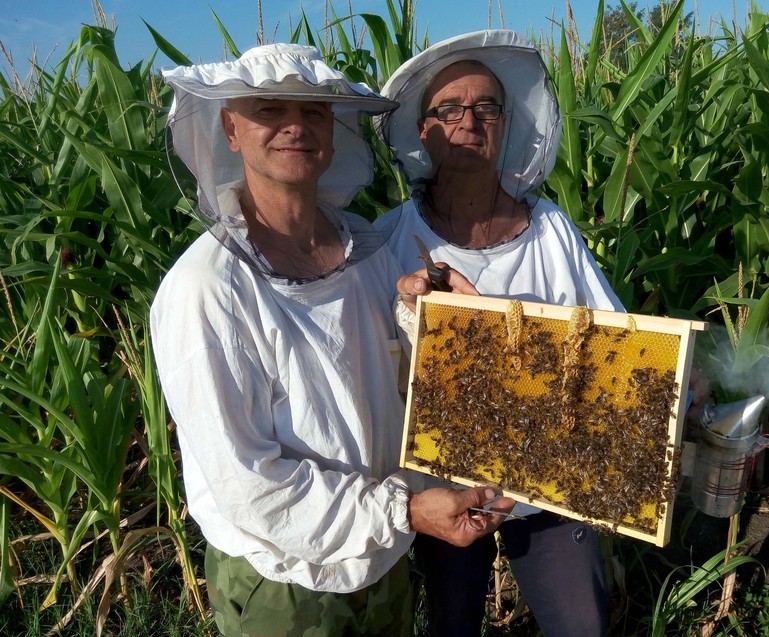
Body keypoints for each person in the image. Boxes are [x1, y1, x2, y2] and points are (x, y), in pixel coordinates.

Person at [150, 42, 514, 637]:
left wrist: (421, 316)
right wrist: (402, 509)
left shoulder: (362, 245)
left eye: (313, 111)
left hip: (383, 557)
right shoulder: (206, 289)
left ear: (333, 129)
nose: (295, 126)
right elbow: (250, 485)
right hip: (287, 580)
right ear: (231, 129)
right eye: (270, 109)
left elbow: (386, 373)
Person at [374, 30, 625, 637]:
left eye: (486, 106)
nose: (469, 120)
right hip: (444, 489)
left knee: (581, 625)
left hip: (552, 473)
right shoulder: (386, 239)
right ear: (423, 130)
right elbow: (368, 365)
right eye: (449, 109)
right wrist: (409, 312)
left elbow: (614, 338)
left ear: (505, 124)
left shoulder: (551, 230)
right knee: (453, 623)